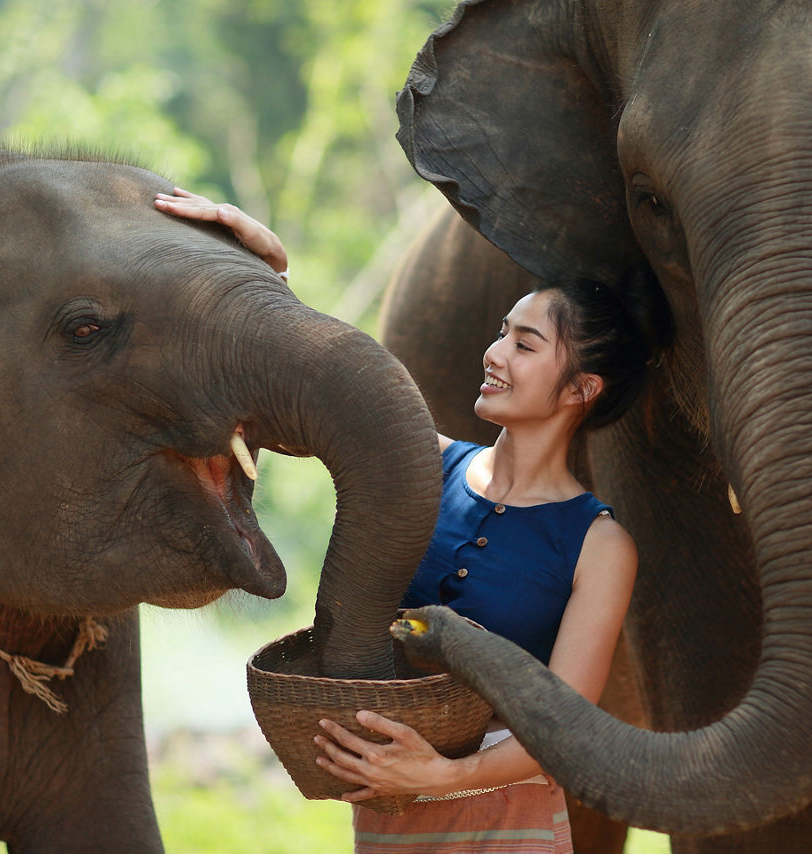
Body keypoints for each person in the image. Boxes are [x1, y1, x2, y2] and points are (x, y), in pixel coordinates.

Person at [155, 188, 671, 853]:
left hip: (508, 829)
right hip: (389, 818)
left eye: (525, 344)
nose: (495, 353)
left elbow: (563, 730)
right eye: (500, 333)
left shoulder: (600, 545)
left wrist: (443, 774)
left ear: (580, 389)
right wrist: (269, 269)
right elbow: (318, 388)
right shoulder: (425, 467)